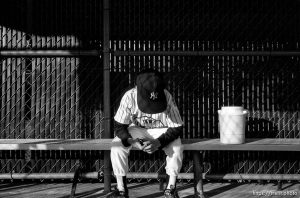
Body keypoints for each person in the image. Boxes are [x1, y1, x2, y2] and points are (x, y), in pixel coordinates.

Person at [107, 69, 184, 198]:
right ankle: (121, 189)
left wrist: (159, 142)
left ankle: (171, 188)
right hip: (137, 129)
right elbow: (119, 126)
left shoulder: (167, 96)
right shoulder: (129, 96)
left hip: (162, 130)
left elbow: (176, 127)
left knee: (176, 146)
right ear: (137, 87)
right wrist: (131, 141)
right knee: (117, 145)